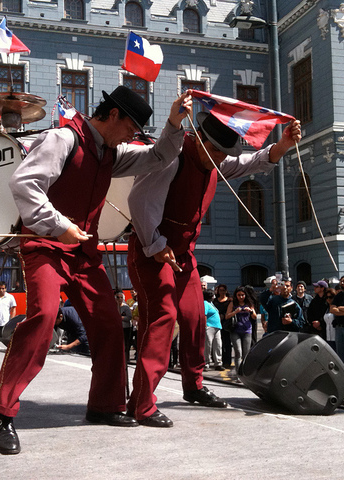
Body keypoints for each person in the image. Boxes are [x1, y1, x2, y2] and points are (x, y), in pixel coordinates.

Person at [0, 87, 192, 453]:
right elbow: (24, 183)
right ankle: (2, 415)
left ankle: (105, 405)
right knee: (44, 317)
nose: (132, 136)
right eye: (130, 127)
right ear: (112, 115)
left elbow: (158, 156)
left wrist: (174, 124)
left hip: (83, 255)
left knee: (109, 324)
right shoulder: (63, 139)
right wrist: (58, 225)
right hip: (46, 247)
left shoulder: (112, 153)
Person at [125, 111, 301, 427]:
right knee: (163, 318)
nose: (220, 158)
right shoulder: (171, 158)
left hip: (182, 258)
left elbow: (252, 162)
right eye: (216, 150)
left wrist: (283, 145)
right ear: (199, 140)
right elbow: (139, 200)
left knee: (196, 318)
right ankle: (141, 403)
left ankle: (193, 386)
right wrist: (155, 244)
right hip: (153, 254)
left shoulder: (214, 162)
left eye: (224, 153)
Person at [225, 286, 258, 380]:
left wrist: (250, 311)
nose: (241, 297)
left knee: (246, 353)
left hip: (247, 330)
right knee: (238, 352)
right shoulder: (233, 303)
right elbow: (227, 316)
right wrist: (235, 312)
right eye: (239, 295)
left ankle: (245, 373)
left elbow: (255, 317)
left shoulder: (249, 303)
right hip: (235, 330)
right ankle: (238, 374)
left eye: (242, 295)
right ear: (236, 295)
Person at [203, 289, 223, 371]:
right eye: (213, 295)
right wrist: (205, 326)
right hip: (209, 327)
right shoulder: (205, 303)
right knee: (208, 346)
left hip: (217, 327)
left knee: (218, 345)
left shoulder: (211, 303)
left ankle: (218, 363)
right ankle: (206, 363)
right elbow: (204, 314)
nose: (214, 296)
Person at [213, 284, 232, 368]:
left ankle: (227, 361)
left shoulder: (229, 301)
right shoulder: (215, 301)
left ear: (226, 291)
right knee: (218, 343)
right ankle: (218, 360)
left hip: (227, 324)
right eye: (220, 290)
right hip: (217, 324)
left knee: (227, 343)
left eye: (223, 290)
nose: (222, 292)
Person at [116, 291, 133, 363]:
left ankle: (126, 359)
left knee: (126, 344)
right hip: (116, 328)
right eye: (118, 297)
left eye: (121, 297)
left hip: (125, 328)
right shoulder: (113, 307)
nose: (120, 299)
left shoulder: (126, 307)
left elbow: (129, 317)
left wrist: (121, 318)